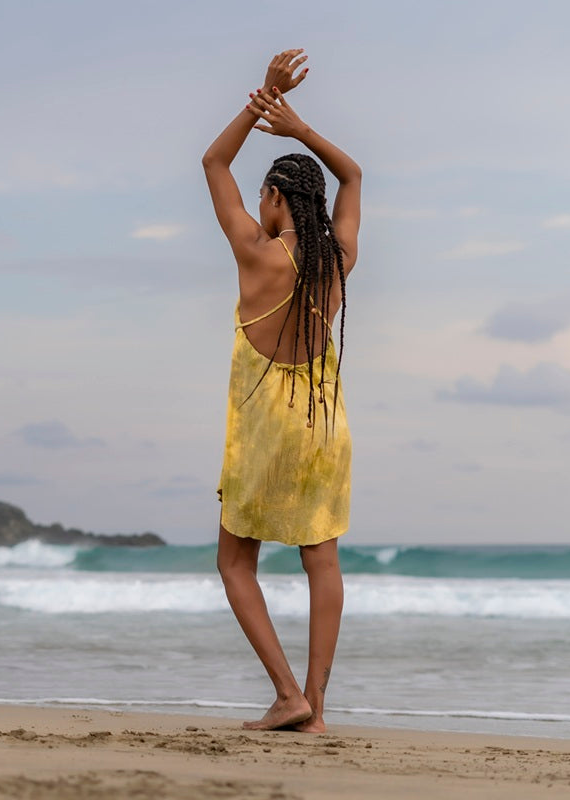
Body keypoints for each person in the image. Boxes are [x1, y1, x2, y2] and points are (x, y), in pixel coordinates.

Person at [202, 49, 361, 733]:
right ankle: (316, 711)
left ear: (271, 198)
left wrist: (262, 98)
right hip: (324, 428)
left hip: (265, 430)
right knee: (321, 559)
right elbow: (353, 174)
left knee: (236, 561)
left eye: (262, 197)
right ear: (316, 204)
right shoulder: (338, 259)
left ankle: (286, 693)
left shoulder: (255, 252)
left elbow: (213, 163)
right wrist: (301, 129)